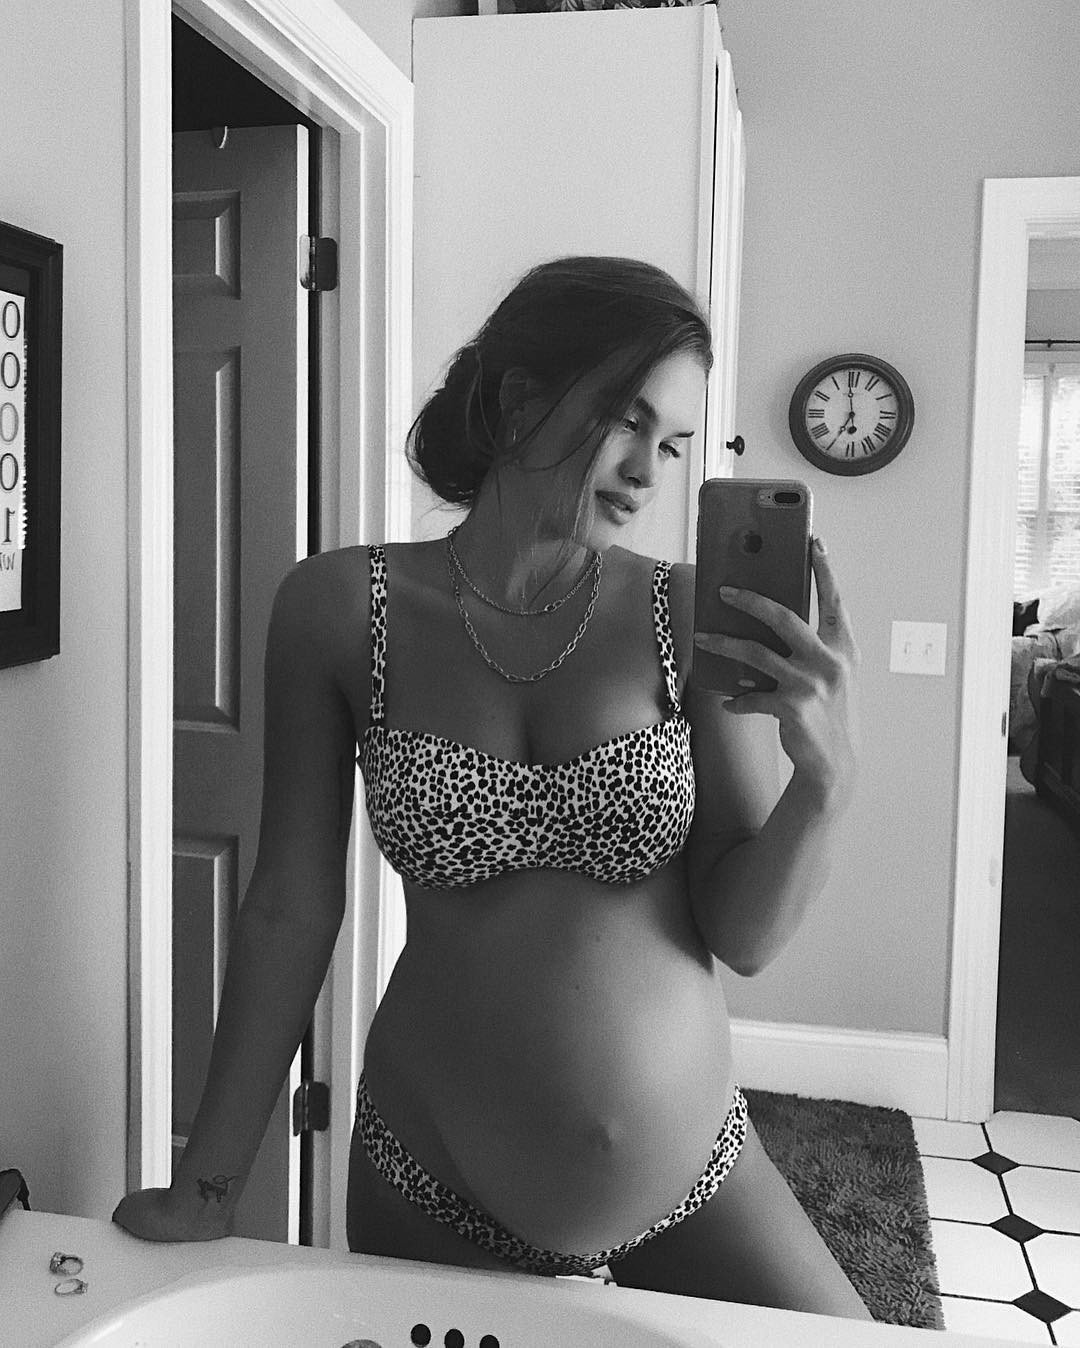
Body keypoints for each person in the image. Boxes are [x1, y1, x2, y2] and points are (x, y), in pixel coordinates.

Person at [114, 255, 868, 1319]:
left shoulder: (683, 613)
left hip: (690, 1176)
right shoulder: (341, 608)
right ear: (519, 399)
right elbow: (289, 909)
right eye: (627, 419)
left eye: (673, 443)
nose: (648, 471)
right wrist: (208, 1189)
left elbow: (742, 935)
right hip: (432, 1179)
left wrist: (825, 782)